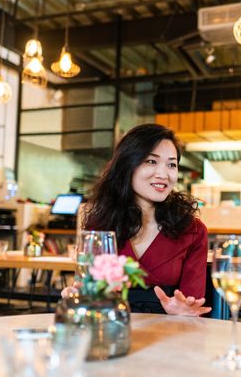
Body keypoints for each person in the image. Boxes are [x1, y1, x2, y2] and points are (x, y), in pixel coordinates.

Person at [62, 123, 211, 317]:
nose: (163, 174)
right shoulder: (99, 226)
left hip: (170, 336)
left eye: (171, 164)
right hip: (111, 332)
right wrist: (77, 296)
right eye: (151, 161)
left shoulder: (193, 231)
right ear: (127, 165)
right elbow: (88, 291)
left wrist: (184, 310)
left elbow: (193, 304)